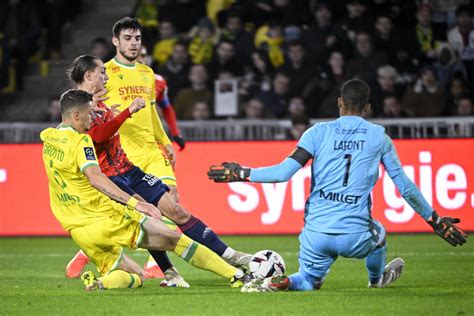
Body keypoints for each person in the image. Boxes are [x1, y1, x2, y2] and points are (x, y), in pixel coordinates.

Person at [207, 78, 467, 293]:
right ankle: (376, 281)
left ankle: (286, 281)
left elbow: (283, 173)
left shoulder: (316, 132)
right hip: (356, 235)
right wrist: (433, 219)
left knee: (308, 280)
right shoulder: (379, 137)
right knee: (380, 234)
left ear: (340, 102)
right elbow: (405, 187)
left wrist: (241, 173)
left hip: (316, 233)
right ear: (367, 107)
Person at [65, 54, 251, 284]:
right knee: (152, 222)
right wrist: (126, 112)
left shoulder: (103, 102)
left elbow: (151, 114)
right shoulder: (78, 108)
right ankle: (172, 272)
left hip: (130, 169)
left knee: (176, 211)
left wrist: (164, 139)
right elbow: (96, 136)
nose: (106, 75)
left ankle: (231, 256)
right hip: (111, 180)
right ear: (89, 75)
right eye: (101, 71)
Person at [137, 46, 185, 150]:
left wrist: (176, 133)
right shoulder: (115, 78)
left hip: (150, 135)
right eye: (136, 56)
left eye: (143, 55)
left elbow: (166, 107)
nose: (141, 59)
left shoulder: (158, 81)